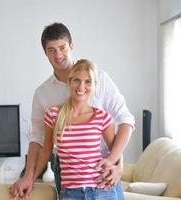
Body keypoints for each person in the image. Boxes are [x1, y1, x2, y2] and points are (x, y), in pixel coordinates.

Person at [9, 22, 135, 199]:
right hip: (67, 174)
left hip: (104, 171)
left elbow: (126, 120)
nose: (58, 55)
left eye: (62, 47)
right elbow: (37, 139)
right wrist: (29, 176)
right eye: (51, 50)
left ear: (71, 46)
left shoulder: (99, 78)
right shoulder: (43, 94)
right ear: (45, 53)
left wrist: (116, 163)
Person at [33, 59, 124, 199]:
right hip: (70, 193)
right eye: (77, 80)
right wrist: (30, 178)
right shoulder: (53, 115)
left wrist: (119, 168)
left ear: (94, 86)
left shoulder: (102, 117)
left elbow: (116, 151)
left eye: (88, 81)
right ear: (69, 82)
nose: (81, 86)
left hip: (102, 191)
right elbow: (46, 151)